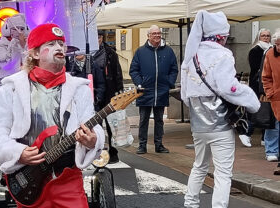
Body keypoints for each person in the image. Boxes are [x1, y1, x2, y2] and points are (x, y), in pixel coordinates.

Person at [0, 23, 105, 208]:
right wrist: (18, 153)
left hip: (68, 179)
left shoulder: (79, 89)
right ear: (34, 54)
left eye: (61, 44)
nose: (59, 48)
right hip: (31, 179)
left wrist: (93, 139)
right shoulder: (11, 89)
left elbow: (91, 123)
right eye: (51, 44)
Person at [180, 10, 260, 208]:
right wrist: (251, 99)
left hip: (198, 125)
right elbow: (229, 88)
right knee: (223, 172)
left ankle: (190, 204)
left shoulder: (191, 55)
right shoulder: (223, 55)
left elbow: (185, 95)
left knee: (199, 166)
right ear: (221, 35)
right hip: (220, 124)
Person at [129, 25, 178, 154]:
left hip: (161, 91)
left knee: (159, 120)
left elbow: (174, 69)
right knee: (143, 119)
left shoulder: (168, 51)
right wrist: (140, 83)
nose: (157, 35)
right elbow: (133, 70)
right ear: (148, 36)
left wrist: (169, 82)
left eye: (158, 33)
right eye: (154, 34)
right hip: (145, 91)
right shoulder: (140, 52)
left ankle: (159, 144)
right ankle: (142, 145)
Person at [92, 30, 124, 163]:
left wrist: (119, 89)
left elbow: (117, 71)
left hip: (109, 91)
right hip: (94, 92)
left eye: (99, 37)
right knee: (96, 124)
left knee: (111, 124)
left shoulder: (109, 52)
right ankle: (96, 152)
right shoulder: (88, 53)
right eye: (96, 37)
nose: (98, 39)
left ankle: (113, 151)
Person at [240, 28, 272, 147]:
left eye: (268, 36)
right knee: (260, 109)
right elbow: (255, 68)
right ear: (259, 37)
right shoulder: (256, 50)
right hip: (258, 83)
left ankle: (264, 137)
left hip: (268, 83)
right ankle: (247, 133)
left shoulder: (271, 49)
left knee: (268, 110)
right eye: (263, 35)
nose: (266, 37)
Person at [261, 29, 280, 174]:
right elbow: (265, 76)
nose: (278, 47)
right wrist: (270, 92)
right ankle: (271, 150)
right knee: (273, 124)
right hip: (276, 96)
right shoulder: (269, 54)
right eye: (277, 44)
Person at [0, 13, 29, 84]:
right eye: (15, 29)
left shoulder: (26, 44)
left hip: (24, 81)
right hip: (6, 81)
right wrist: (14, 43)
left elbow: (30, 64)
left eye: (22, 29)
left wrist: (23, 46)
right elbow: (6, 65)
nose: (19, 31)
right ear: (8, 29)